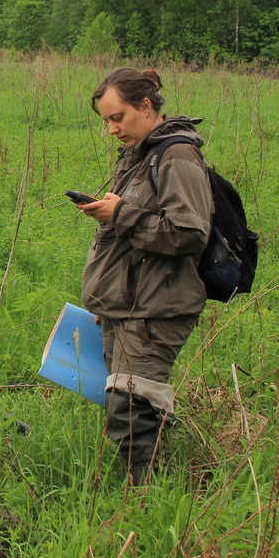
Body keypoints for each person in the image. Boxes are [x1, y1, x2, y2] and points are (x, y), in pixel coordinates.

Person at [76, 68, 212, 485]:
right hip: (128, 306)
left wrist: (120, 214)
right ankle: (150, 493)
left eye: (118, 118)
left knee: (133, 412)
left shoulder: (177, 157)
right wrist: (109, 301)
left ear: (146, 106)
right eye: (106, 122)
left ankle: (154, 503)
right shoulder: (139, 156)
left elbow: (190, 234)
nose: (113, 129)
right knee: (126, 405)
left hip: (157, 308)